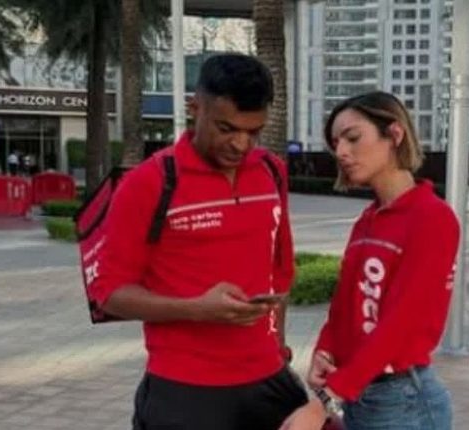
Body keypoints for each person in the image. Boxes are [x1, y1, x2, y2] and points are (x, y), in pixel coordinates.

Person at [91, 53, 307, 430]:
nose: (241, 144)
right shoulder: (148, 182)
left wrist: (279, 351)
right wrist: (196, 309)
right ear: (195, 108)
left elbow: (280, 270)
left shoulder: (272, 171)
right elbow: (108, 294)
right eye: (226, 128)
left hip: (268, 380)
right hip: (186, 390)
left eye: (253, 132)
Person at [281, 91, 459, 430]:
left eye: (352, 138)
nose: (341, 152)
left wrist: (326, 400)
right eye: (336, 143)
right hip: (362, 394)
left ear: (394, 134)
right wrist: (325, 350)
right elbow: (344, 304)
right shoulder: (368, 219)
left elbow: (400, 323)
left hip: (403, 401)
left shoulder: (432, 218)